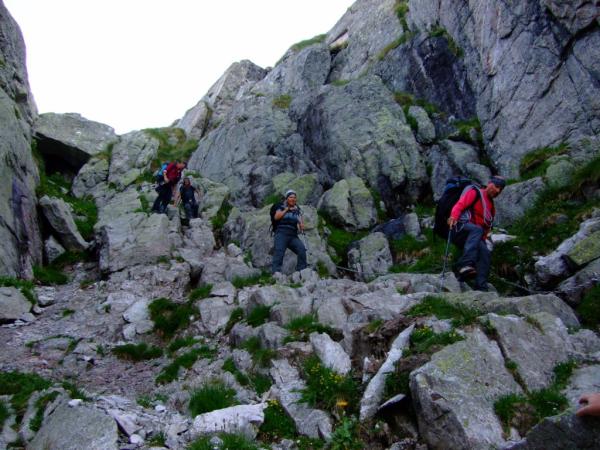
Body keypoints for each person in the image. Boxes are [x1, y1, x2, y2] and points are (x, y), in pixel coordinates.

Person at [447, 175, 506, 291]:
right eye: (496, 186)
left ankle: (481, 286)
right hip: (460, 228)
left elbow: (486, 228)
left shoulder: (491, 207)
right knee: (477, 229)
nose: (498, 191)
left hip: (475, 235)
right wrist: (453, 217)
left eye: (500, 189)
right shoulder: (475, 192)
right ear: (489, 183)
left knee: (485, 253)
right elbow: (460, 205)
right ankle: (465, 265)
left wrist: (482, 243)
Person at [271, 190, 307, 274]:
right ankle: (276, 273)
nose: (293, 199)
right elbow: (276, 217)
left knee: (302, 249)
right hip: (281, 233)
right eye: (291, 197)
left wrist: (301, 225)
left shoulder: (297, 210)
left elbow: (300, 224)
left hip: (293, 235)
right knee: (279, 252)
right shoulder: (281, 206)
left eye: (294, 197)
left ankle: (301, 271)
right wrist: (287, 209)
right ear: (287, 198)